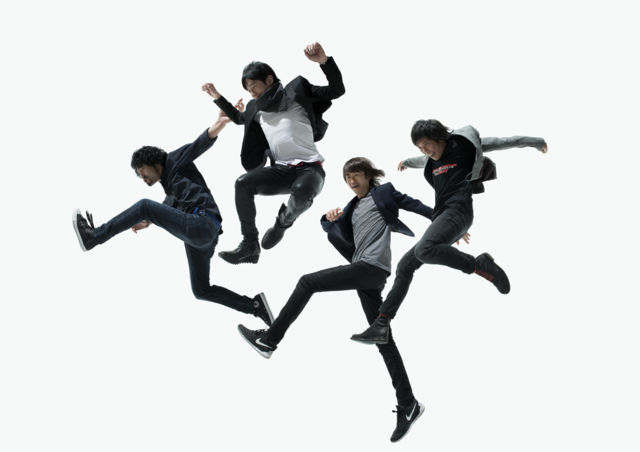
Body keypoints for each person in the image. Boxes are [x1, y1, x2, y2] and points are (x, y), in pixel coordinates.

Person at [237, 157, 432, 442]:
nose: (352, 182)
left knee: (307, 282)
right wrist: (328, 220)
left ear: (368, 175)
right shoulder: (353, 207)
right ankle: (409, 404)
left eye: (356, 175)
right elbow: (340, 234)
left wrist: (446, 221)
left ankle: (269, 339)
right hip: (365, 272)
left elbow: (416, 205)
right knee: (384, 341)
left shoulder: (384, 192)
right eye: (347, 178)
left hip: (371, 268)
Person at [351, 119, 547, 344]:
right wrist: (407, 162)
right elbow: (420, 160)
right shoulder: (430, 161)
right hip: (444, 216)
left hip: (460, 210)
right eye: (420, 148)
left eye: (427, 144)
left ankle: (479, 265)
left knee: (424, 250)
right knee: (405, 265)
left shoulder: (462, 147)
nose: (425, 151)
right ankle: (381, 325)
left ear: (439, 138)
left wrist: (536, 142)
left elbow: (502, 142)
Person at [71, 107, 273, 326]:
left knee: (144, 205)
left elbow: (200, 143)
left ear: (152, 161)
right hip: (203, 237)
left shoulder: (174, 159)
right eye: (139, 176)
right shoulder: (170, 187)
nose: (143, 178)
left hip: (202, 223)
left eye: (142, 171)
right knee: (201, 290)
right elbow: (167, 206)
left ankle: (94, 236)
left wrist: (219, 124)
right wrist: (148, 221)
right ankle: (254, 306)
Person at [201, 41, 345, 264]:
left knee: (301, 191)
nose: (251, 92)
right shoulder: (255, 108)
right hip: (281, 171)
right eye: (247, 89)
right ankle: (250, 244)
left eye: (253, 86)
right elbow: (238, 118)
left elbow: (337, 90)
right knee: (242, 184)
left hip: (310, 170)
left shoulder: (296, 91)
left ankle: (283, 223)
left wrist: (324, 62)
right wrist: (217, 96)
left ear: (269, 80)